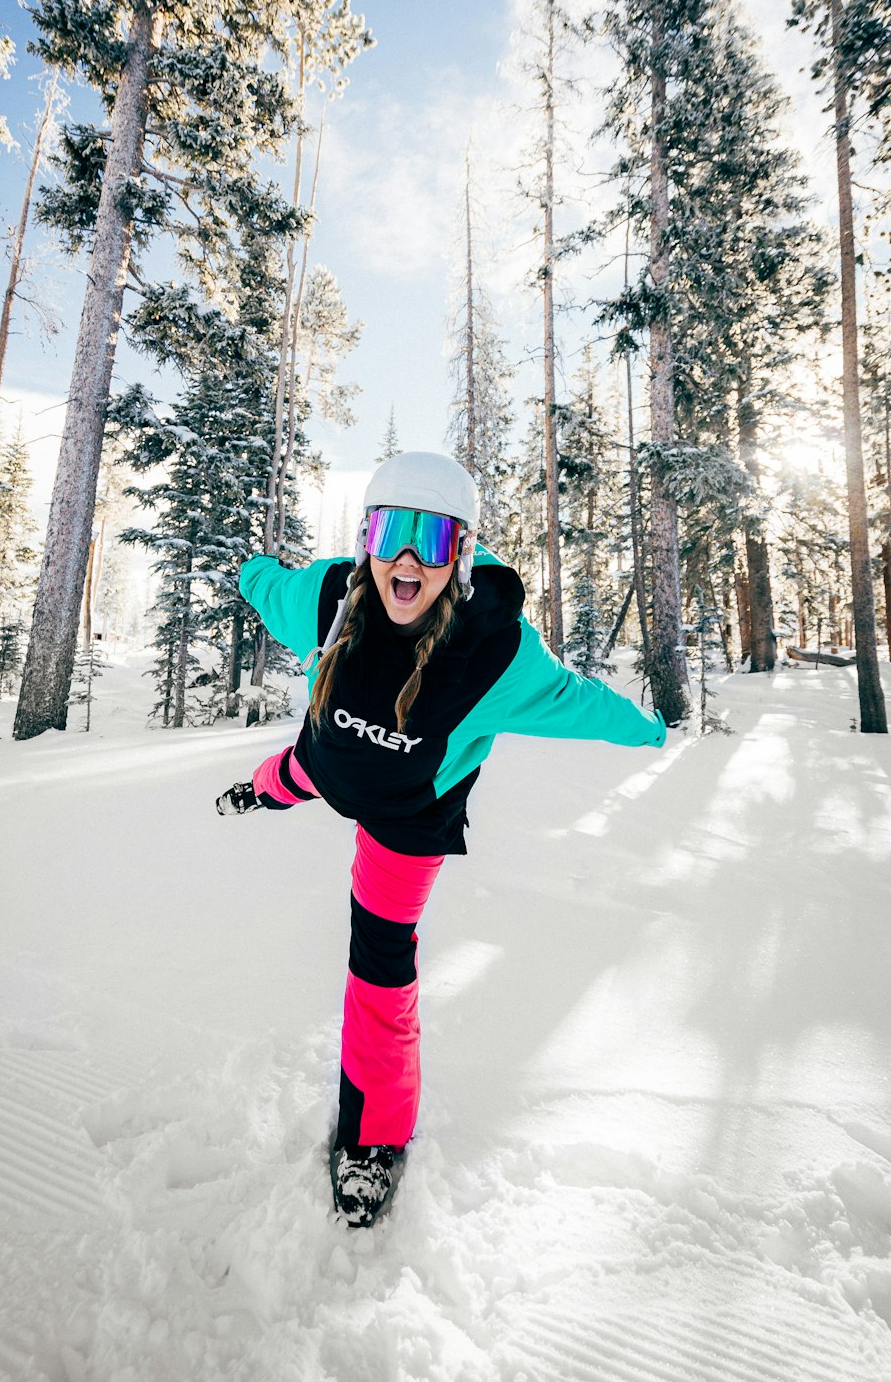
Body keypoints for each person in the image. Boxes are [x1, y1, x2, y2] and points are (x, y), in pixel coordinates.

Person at [218, 451, 665, 1226]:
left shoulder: (493, 654)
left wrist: (649, 729)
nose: (407, 559)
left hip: (405, 823)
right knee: (294, 774)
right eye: (393, 531)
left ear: (460, 552)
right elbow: (267, 586)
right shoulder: (326, 599)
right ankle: (256, 790)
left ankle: (373, 1139)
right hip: (326, 763)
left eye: (433, 539)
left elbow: (577, 700)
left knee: (381, 966)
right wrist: (247, 567)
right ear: (366, 540)